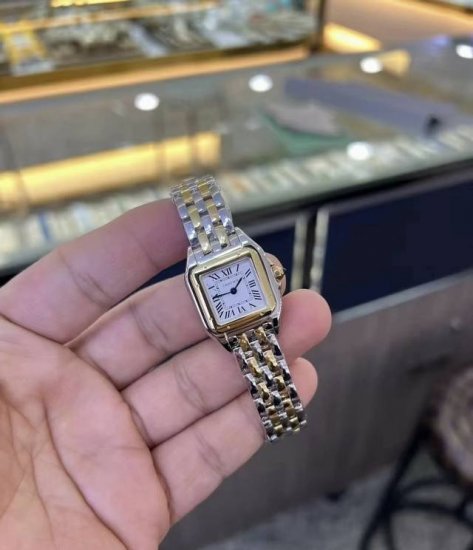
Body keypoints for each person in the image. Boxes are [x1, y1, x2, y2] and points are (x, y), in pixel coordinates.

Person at [0, 199, 331, 549]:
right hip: (241, 330)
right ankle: (280, 414)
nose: (234, 290)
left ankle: (281, 414)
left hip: (255, 324)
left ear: (269, 275)